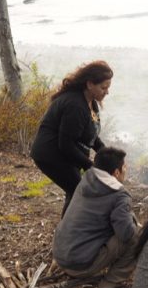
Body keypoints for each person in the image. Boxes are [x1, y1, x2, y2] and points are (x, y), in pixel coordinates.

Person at [31, 60, 113, 216]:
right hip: (50, 154)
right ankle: (69, 234)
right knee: (79, 191)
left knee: (75, 191)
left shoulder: (90, 102)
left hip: (65, 154)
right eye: (103, 87)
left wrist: (108, 153)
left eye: (108, 88)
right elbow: (66, 144)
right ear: (90, 84)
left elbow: (91, 134)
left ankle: (68, 232)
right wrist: (90, 166)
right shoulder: (75, 105)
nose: (106, 92)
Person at [52, 147, 136, 288]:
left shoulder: (87, 179)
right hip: (79, 265)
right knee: (137, 237)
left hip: (60, 254)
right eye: (124, 167)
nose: (126, 170)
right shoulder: (119, 195)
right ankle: (110, 286)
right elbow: (126, 234)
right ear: (116, 173)